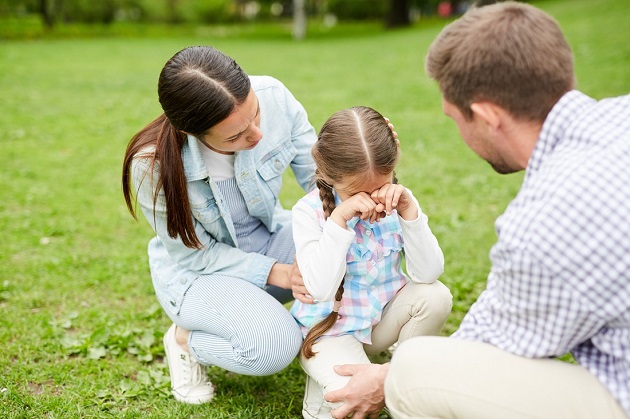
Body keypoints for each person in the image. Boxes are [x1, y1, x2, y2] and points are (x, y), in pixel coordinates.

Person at [323, 2, 630, 418]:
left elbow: (497, 345)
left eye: (454, 118)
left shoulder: (545, 219)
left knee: (413, 373)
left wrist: (389, 380)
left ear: (487, 116)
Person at [121, 45, 318, 404]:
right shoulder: (152, 166)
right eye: (234, 138)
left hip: (269, 237)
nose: (256, 135)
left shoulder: (273, 94)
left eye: (256, 115)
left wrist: (368, 157)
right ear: (191, 131)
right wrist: (281, 273)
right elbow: (194, 257)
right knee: (275, 347)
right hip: (200, 275)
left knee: (355, 235)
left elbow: (325, 183)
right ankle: (184, 340)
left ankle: (351, 337)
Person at [289, 106, 452, 418]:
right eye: (355, 192)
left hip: (378, 325)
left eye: (379, 184)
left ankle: (402, 371)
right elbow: (320, 289)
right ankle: (324, 386)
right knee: (354, 405)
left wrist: (410, 213)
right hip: (329, 333)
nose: (371, 199)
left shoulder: (397, 202)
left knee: (435, 296)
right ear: (326, 174)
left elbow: (428, 273)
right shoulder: (308, 212)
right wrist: (339, 221)